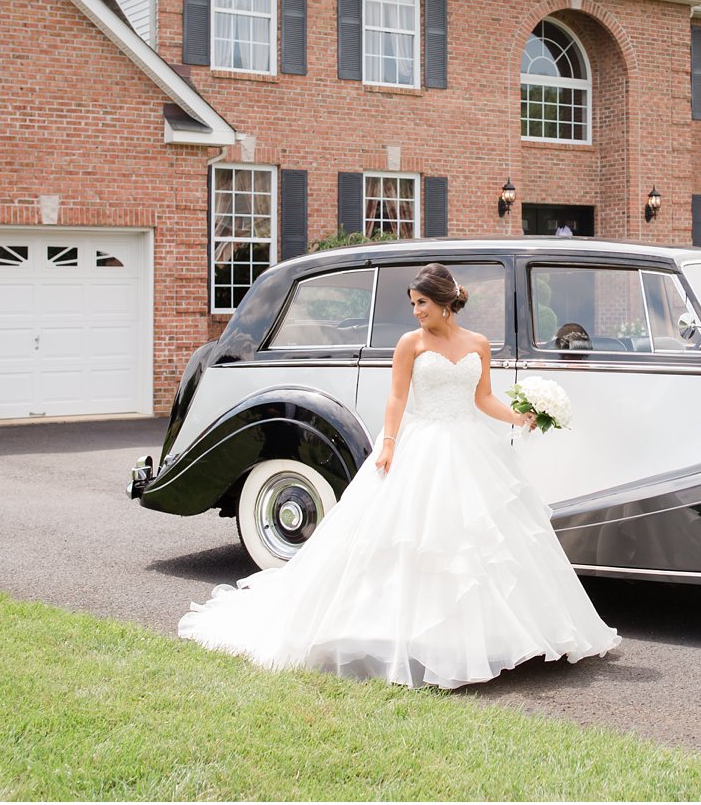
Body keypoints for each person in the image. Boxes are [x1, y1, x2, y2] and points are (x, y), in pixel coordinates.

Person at [178, 262, 619, 688]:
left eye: (422, 303)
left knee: (477, 542)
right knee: (412, 536)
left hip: (469, 444)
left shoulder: (478, 344)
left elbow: (482, 398)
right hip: (421, 442)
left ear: (445, 302)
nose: (416, 311)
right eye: (413, 303)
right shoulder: (411, 343)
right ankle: (405, 633)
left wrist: (516, 417)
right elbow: (396, 398)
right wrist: (388, 442)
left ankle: (482, 636)